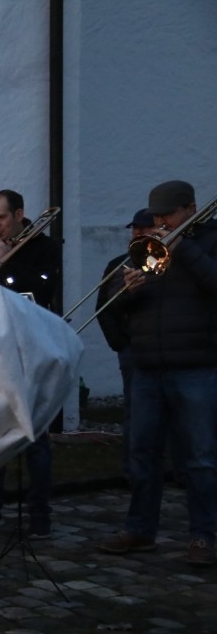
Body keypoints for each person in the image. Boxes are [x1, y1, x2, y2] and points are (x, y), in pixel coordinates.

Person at [98, 180, 217, 566]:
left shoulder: (210, 240)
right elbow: (113, 304)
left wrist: (184, 248)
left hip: (197, 365)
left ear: (191, 209)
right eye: (157, 216)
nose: (161, 222)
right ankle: (140, 529)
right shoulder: (148, 248)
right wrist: (126, 289)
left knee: (200, 457)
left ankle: (203, 536)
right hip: (148, 366)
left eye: (168, 215)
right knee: (142, 452)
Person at [0, 189, 62, 537]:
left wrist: (8, 263)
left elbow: (43, 292)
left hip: (28, 346)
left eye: (1, 218)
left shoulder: (45, 248)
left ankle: (39, 515)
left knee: (34, 436)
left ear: (19, 214)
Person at [95, 209, 156, 479]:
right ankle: (132, 470)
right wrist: (119, 343)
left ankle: (171, 468)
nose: (138, 233)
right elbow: (104, 307)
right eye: (135, 228)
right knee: (134, 410)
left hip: (161, 344)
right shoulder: (118, 264)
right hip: (132, 347)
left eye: (144, 228)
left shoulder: (161, 262)